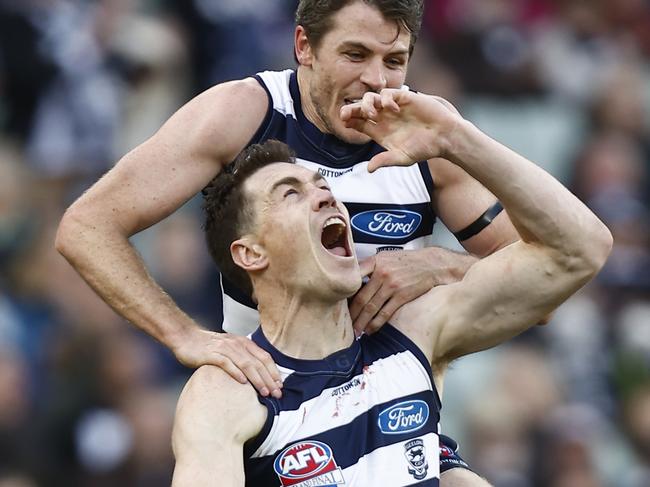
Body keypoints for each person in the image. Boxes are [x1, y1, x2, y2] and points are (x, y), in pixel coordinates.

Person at [56, 0, 518, 483]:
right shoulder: (244, 114)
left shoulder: (426, 137)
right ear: (304, 46)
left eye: (394, 61)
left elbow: (537, 274)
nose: (377, 80)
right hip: (279, 424)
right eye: (355, 55)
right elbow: (88, 226)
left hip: (396, 420)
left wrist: (439, 266)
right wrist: (184, 335)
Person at [171, 87, 612, 485]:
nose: (326, 197)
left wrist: (458, 140)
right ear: (251, 254)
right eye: (291, 194)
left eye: (322, 186)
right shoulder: (230, 390)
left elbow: (581, 249)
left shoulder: (411, 330)